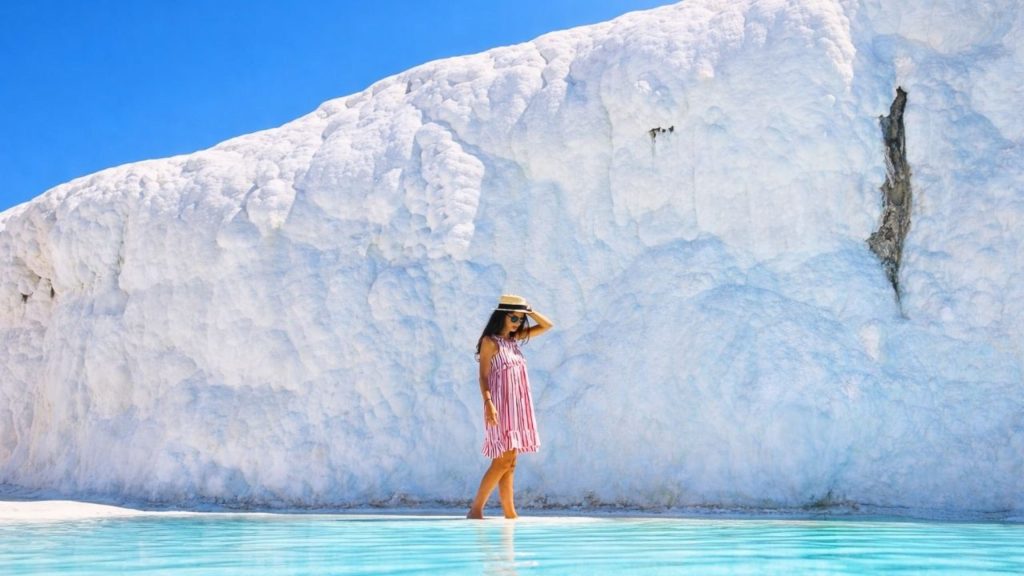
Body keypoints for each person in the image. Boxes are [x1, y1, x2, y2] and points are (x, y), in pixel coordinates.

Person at [467, 294, 553, 520]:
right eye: (513, 318)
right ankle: (476, 510)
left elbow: (547, 325)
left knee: (511, 461)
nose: (517, 323)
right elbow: (483, 376)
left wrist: (529, 311)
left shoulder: (514, 340)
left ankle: (510, 513)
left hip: (518, 406)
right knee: (502, 459)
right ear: (501, 316)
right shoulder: (490, 342)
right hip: (500, 406)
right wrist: (488, 403)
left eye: (520, 319)